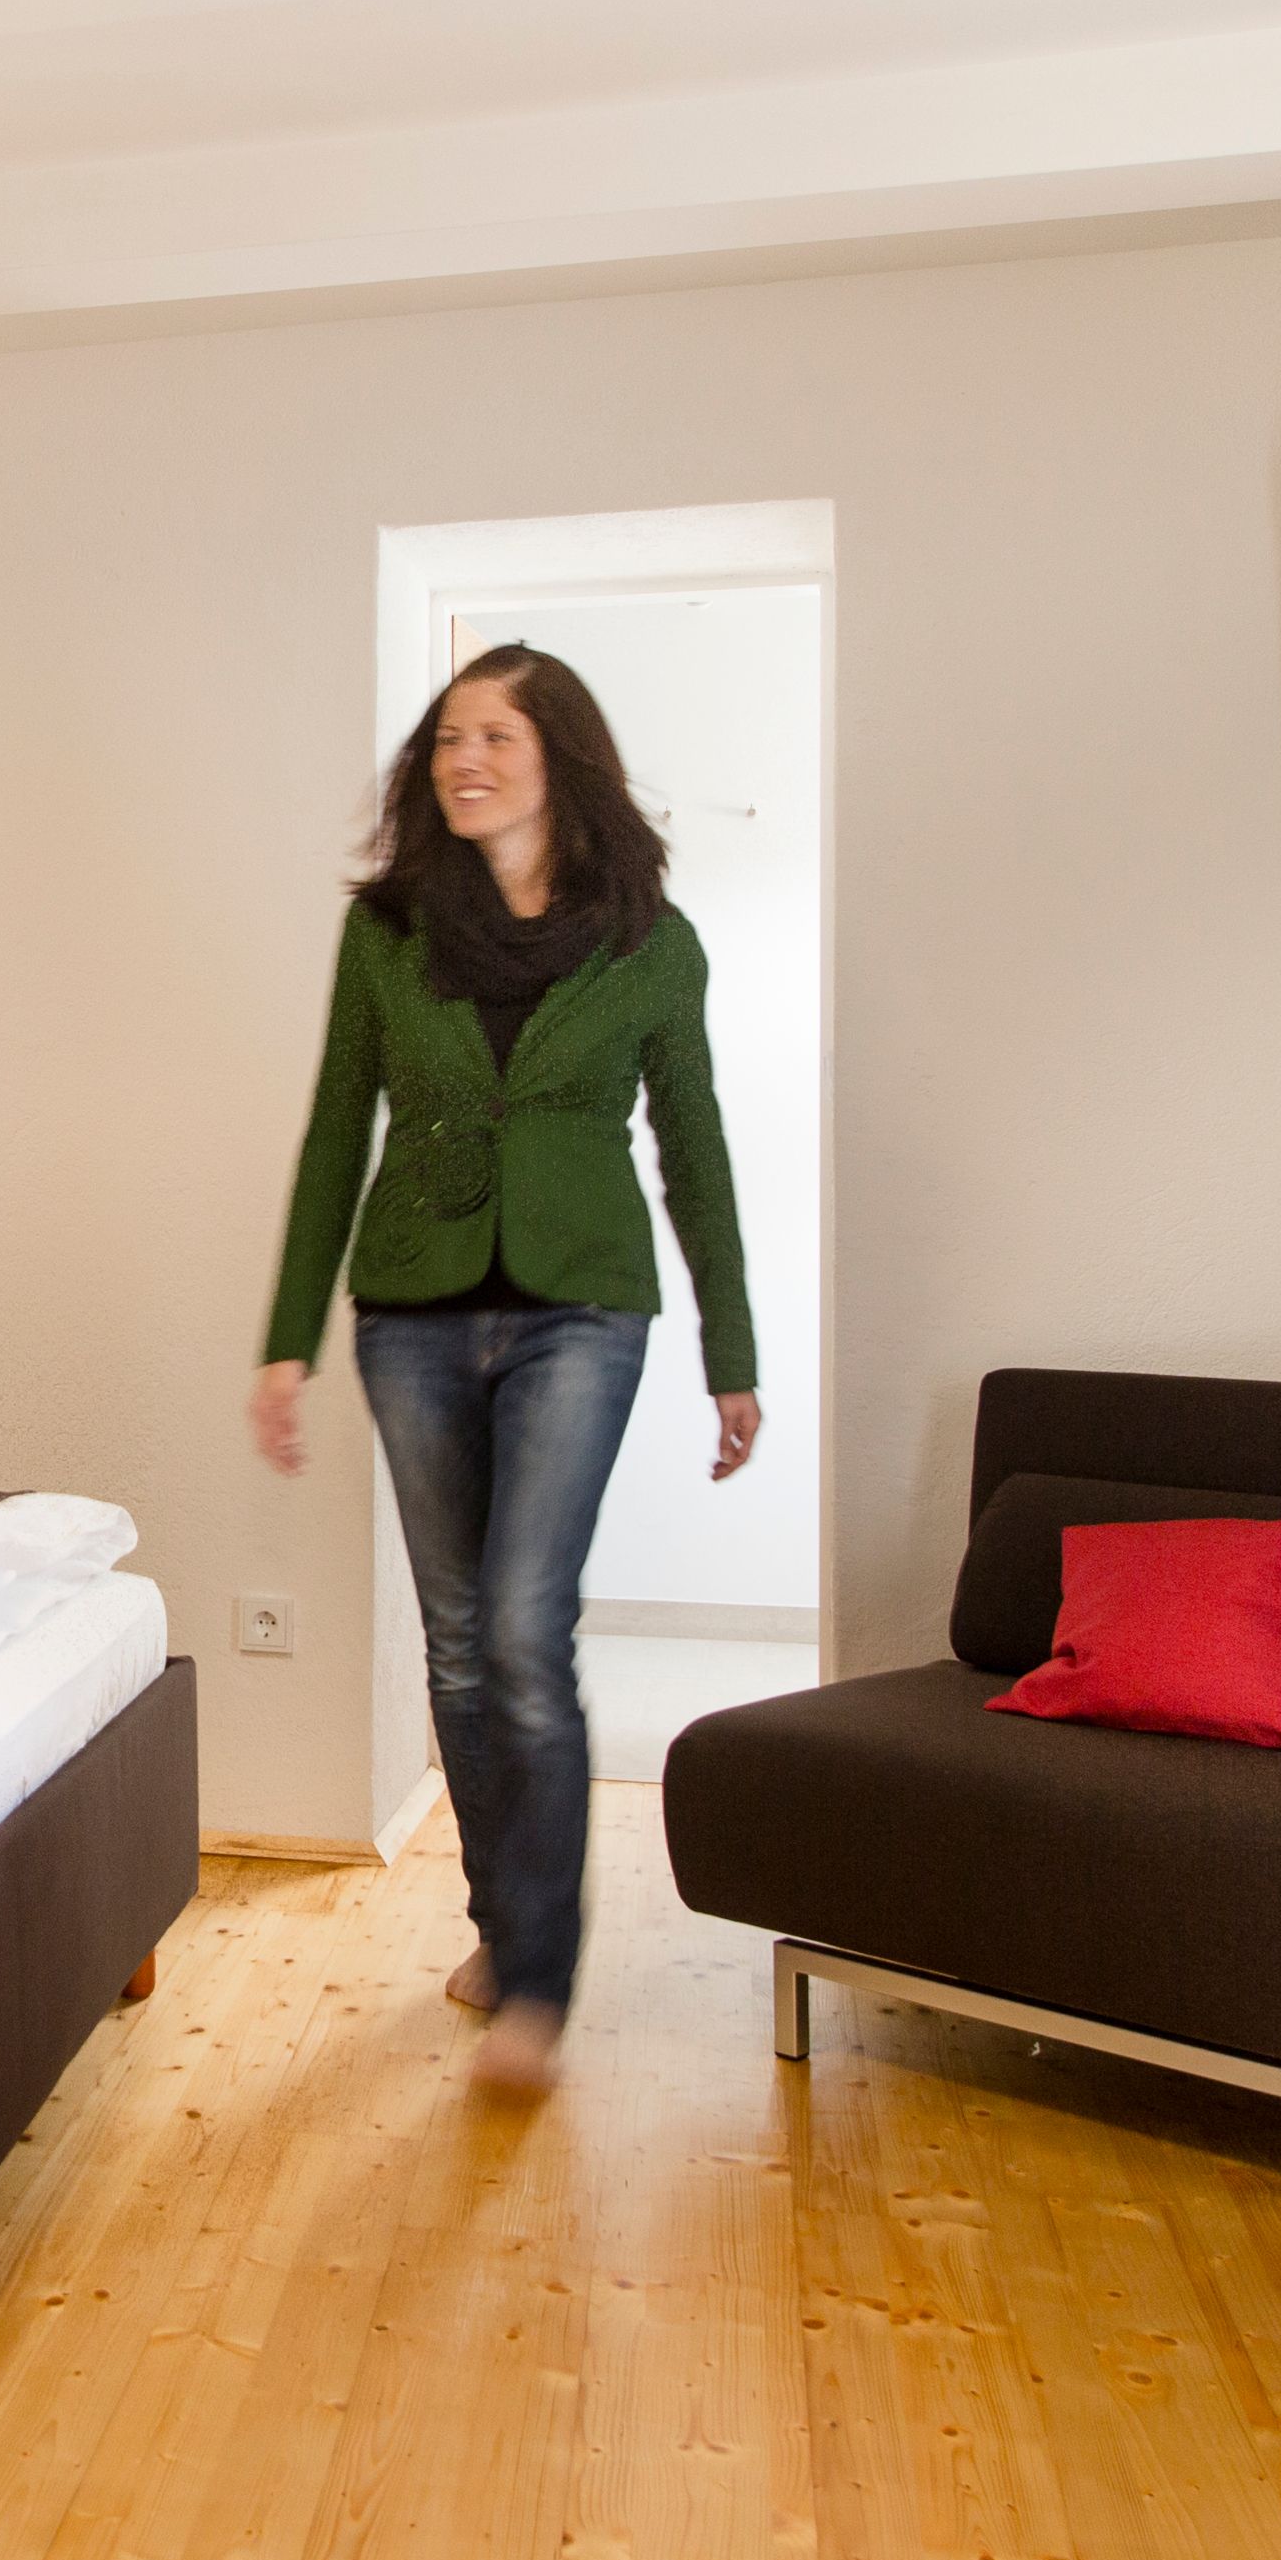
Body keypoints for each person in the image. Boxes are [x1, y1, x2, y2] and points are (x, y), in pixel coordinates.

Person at [252, 645, 760, 2092]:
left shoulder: (651, 940)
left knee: (528, 1629)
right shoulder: (387, 931)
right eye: (446, 739)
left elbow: (696, 1151)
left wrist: (731, 1350)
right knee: (460, 1643)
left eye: (494, 736)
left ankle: (539, 1978)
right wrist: (287, 1335)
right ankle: (501, 1920)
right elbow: (335, 1124)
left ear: (560, 759)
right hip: (411, 1309)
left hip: (579, 1310)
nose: (461, 760)